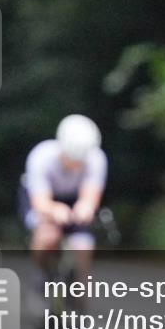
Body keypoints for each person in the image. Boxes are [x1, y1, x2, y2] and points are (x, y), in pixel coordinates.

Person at [18, 114, 107, 281]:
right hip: (42, 198)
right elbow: (40, 202)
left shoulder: (97, 158)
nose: (77, 165)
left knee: (83, 244)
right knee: (47, 237)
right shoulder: (40, 157)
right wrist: (54, 210)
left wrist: (85, 208)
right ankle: (43, 273)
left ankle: (81, 285)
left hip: (73, 197)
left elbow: (90, 196)